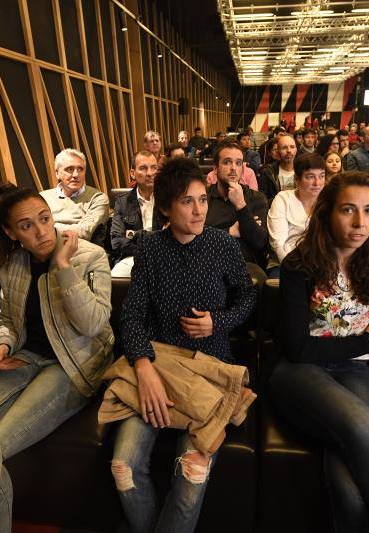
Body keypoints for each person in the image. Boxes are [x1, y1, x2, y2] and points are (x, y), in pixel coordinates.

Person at [0, 184, 114, 532]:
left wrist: (64, 267)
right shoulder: (14, 266)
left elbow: (94, 323)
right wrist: (3, 345)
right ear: (10, 232)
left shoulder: (90, 256)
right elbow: (9, 321)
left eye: (44, 218)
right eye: (26, 226)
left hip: (73, 365)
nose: (41, 231)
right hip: (26, 358)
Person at [268, 172, 369, 533]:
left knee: (352, 494)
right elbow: (298, 347)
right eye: (348, 210)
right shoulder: (300, 264)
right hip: (301, 370)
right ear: (327, 213)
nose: (360, 223)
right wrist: (368, 341)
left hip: (354, 371)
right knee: (359, 425)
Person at [109, 157, 256, 533]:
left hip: (210, 366)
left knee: (192, 472)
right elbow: (132, 316)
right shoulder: (151, 249)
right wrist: (143, 366)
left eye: (202, 199)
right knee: (123, 468)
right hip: (158, 363)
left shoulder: (222, 245)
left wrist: (215, 322)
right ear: (165, 208)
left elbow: (247, 299)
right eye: (187, 202)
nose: (198, 210)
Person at [205, 142, 269, 283]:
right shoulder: (203, 198)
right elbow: (195, 237)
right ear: (215, 169)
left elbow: (260, 243)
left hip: (246, 264)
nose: (234, 168)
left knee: (257, 280)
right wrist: (229, 231)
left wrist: (241, 205)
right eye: (227, 162)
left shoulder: (256, 198)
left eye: (238, 163)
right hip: (208, 261)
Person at [266, 153, 326, 279]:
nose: (317, 183)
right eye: (310, 177)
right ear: (297, 179)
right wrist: (300, 271)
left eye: (321, 176)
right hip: (285, 263)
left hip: (321, 263)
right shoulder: (283, 199)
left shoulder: (329, 203)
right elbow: (279, 243)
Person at [40, 148, 109, 243]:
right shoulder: (43, 198)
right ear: (57, 173)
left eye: (80, 169)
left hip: (82, 250)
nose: (76, 174)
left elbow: (84, 232)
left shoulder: (98, 198)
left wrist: (48, 228)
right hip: (46, 248)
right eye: (70, 169)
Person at [111, 151, 161, 277]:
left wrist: (134, 235)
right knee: (115, 276)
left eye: (154, 168)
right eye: (143, 168)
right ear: (133, 174)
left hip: (162, 258)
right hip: (131, 258)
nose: (150, 173)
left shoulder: (168, 199)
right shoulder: (122, 202)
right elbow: (117, 241)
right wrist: (144, 251)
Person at [259, 134, 298, 203]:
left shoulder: (303, 170)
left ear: (296, 150)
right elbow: (263, 201)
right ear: (278, 151)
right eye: (284, 148)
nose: (289, 150)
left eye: (292, 147)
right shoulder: (268, 172)